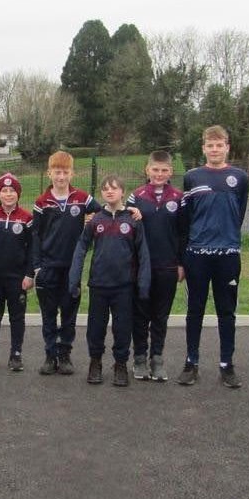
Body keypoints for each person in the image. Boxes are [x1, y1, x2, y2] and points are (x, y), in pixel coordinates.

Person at [178, 126, 249, 388]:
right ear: (204, 148)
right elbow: (186, 218)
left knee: (226, 311)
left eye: (220, 145)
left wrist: (227, 238)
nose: (215, 149)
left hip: (227, 254)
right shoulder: (192, 177)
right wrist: (183, 255)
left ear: (227, 147)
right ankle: (191, 362)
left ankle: (226, 365)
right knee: (194, 309)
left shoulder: (239, 177)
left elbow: (239, 212)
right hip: (197, 254)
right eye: (210, 145)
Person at [69, 176, 151, 387]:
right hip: (98, 285)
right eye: (105, 189)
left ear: (123, 192)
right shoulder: (95, 220)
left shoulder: (133, 219)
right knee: (95, 327)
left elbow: (143, 254)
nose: (109, 192)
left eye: (114, 188)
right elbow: (80, 250)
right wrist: (74, 278)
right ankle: (95, 362)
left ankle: (121, 364)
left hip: (124, 286)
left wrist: (143, 283)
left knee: (122, 327)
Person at [31, 151, 101, 376]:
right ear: (49, 173)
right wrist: (37, 266)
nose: (61, 177)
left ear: (72, 173)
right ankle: (50, 355)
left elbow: (104, 212)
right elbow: (36, 236)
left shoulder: (82, 198)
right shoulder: (42, 202)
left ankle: (65, 354)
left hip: (72, 267)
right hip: (48, 267)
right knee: (48, 314)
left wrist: (92, 221)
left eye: (65, 172)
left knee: (69, 314)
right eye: (57, 172)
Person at [126, 151, 184, 382]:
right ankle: (139, 357)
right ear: (147, 169)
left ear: (170, 172)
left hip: (168, 266)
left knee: (161, 315)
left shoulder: (179, 197)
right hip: (141, 267)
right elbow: (126, 230)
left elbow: (182, 233)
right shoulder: (136, 197)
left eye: (164, 170)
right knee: (140, 314)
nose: (159, 174)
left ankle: (157, 358)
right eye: (155, 169)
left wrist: (181, 263)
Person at [0, 173, 35, 371]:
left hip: (17, 278)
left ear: (18, 194)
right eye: (4, 191)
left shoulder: (27, 218)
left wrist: (30, 274)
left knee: (17, 316)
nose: (8, 194)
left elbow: (32, 250)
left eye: (12, 191)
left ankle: (16, 354)